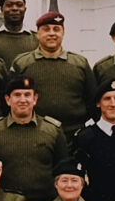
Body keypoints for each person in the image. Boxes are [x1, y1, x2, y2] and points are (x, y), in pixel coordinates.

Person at [0, 75, 70, 201]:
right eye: (17, 95)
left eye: (27, 95)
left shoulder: (52, 130)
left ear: (35, 99)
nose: (23, 100)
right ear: (8, 100)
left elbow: (63, 169)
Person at [9, 10, 94, 140]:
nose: (52, 33)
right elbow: (10, 99)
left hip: (73, 133)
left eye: (56, 29)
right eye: (46, 29)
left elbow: (92, 99)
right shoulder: (22, 62)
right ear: (38, 33)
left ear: (63, 32)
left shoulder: (80, 63)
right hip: (34, 133)